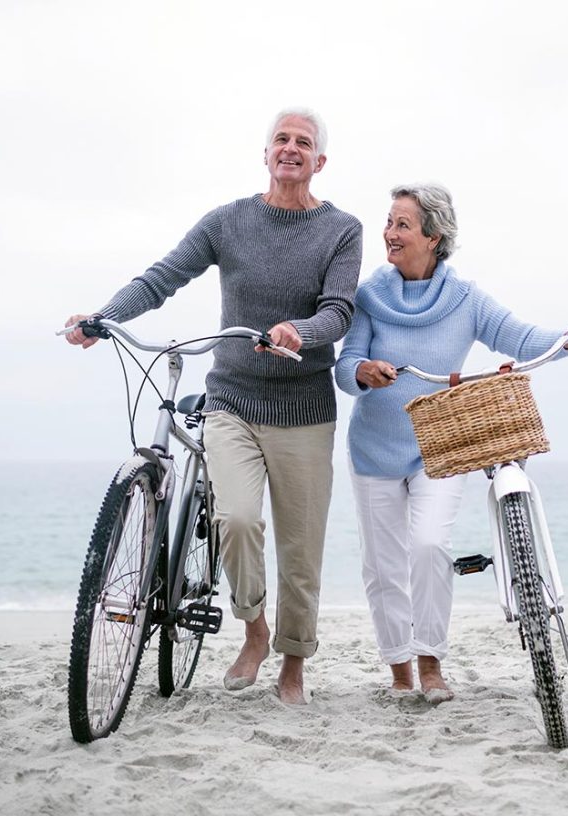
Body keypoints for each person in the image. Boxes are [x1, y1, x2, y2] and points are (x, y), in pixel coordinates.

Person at [64, 108, 363, 705]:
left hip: (305, 411)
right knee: (235, 520)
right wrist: (105, 317)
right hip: (233, 400)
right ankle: (254, 630)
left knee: (300, 553)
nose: (290, 148)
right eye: (281, 139)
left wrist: (299, 332)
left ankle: (293, 667)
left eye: (303, 143)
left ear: (319, 161)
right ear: (265, 152)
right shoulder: (228, 221)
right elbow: (163, 276)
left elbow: (339, 311)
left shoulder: (342, 230)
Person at [335, 183, 568, 704]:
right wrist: (365, 372)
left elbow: (522, 338)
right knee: (382, 564)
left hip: (439, 449)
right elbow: (346, 366)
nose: (389, 233)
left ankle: (431, 662)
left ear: (434, 237)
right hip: (373, 449)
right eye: (388, 222)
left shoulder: (464, 299)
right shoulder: (369, 296)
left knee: (431, 545)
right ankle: (398, 670)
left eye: (402, 225)